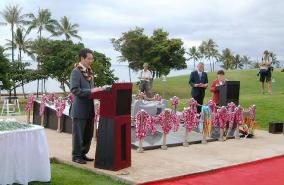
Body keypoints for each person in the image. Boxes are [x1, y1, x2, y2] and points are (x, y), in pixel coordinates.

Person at [70, 48, 103, 164]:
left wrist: (99, 92)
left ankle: (83, 153)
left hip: (89, 108)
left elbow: (91, 90)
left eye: (92, 58)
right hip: (79, 109)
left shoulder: (89, 71)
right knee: (78, 134)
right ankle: (76, 156)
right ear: (82, 58)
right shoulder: (76, 72)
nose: (91, 60)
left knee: (88, 135)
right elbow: (75, 90)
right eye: (89, 58)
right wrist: (91, 91)